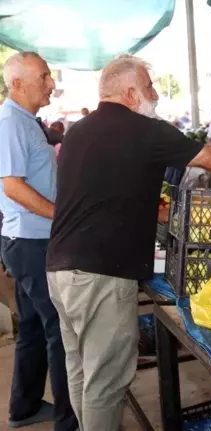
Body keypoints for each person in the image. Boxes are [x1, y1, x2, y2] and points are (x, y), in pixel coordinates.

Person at [45, 54, 211, 431]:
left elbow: (105, 193)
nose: (155, 94)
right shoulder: (144, 129)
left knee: (81, 370)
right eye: (149, 86)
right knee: (106, 383)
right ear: (130, 92)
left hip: (61, 269)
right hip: (101, 274)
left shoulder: (80, 129)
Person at [0, 52, 78, 431]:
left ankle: (24, 407)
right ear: (17, 84)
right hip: (31, 243)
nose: (51, 83)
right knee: (60, 330)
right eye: (44, 76)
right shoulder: (9, 122)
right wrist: (61, 215)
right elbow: (12, 185)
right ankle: (69, 419)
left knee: (31, 327)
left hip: (30, 239)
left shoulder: (27, 121)